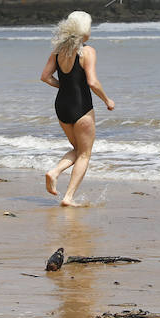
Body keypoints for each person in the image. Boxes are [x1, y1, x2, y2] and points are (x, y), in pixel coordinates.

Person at [40, 11, 114, 207]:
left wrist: (64, 87)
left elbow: (45, 77)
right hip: (81, 106)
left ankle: (54, 172)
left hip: (61, 105)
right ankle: (68, 197)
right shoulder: (87, 51)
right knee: (84, 153)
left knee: (77, 149)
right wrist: (107, 100)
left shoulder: (58, 50)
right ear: (84, 29)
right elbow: (92, 82)